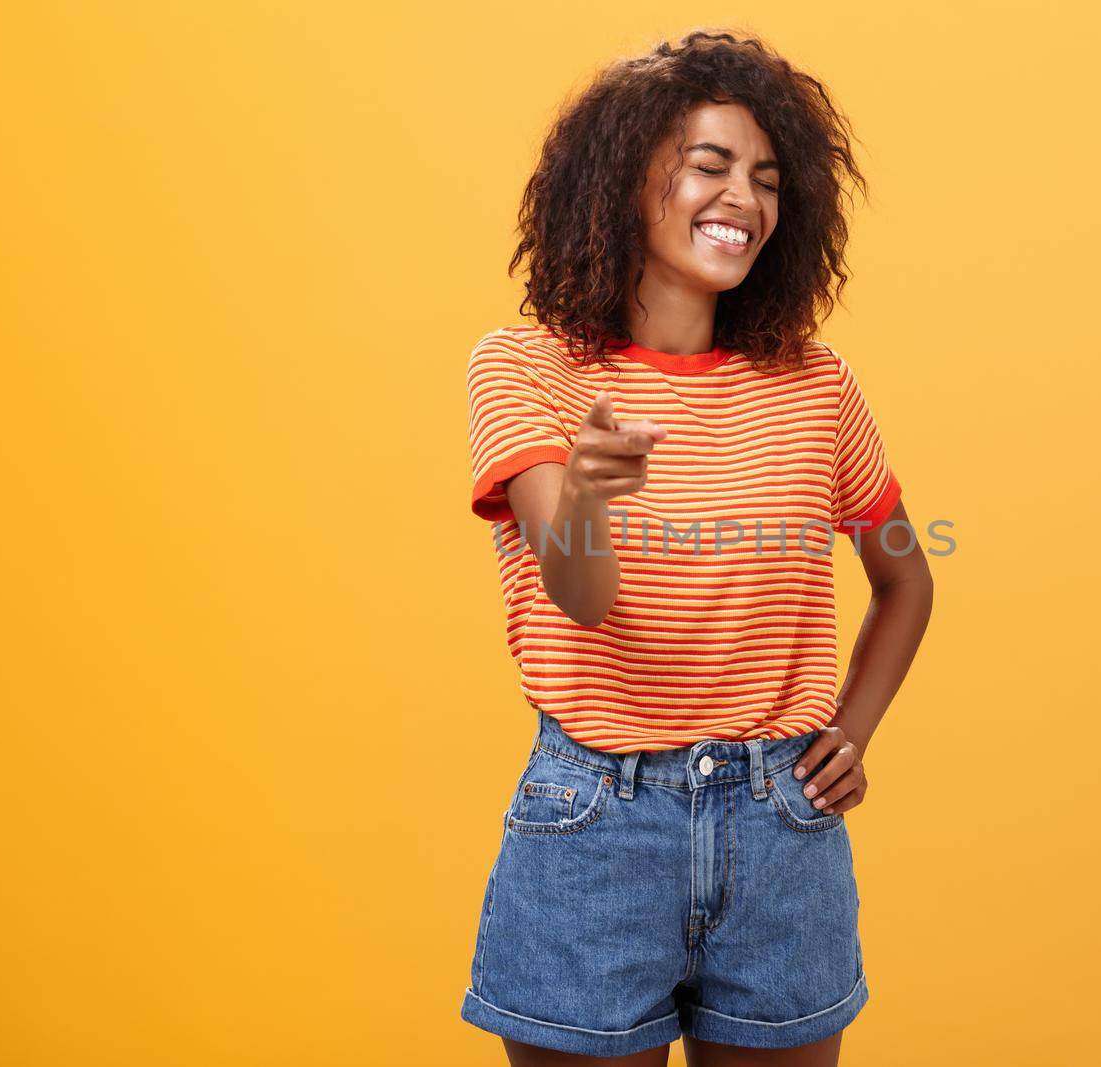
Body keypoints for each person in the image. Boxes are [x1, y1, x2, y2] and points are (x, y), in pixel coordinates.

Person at [458, 29, 933, 1067]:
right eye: (709, 165)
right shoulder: (522, 369)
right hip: (594, 825)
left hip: (782, 828)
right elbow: (578, 594)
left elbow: (904, 575)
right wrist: (584, 490)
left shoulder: (818, 387)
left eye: (766, 177)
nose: (745, 199)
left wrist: (851, 730)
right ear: (624, 181)